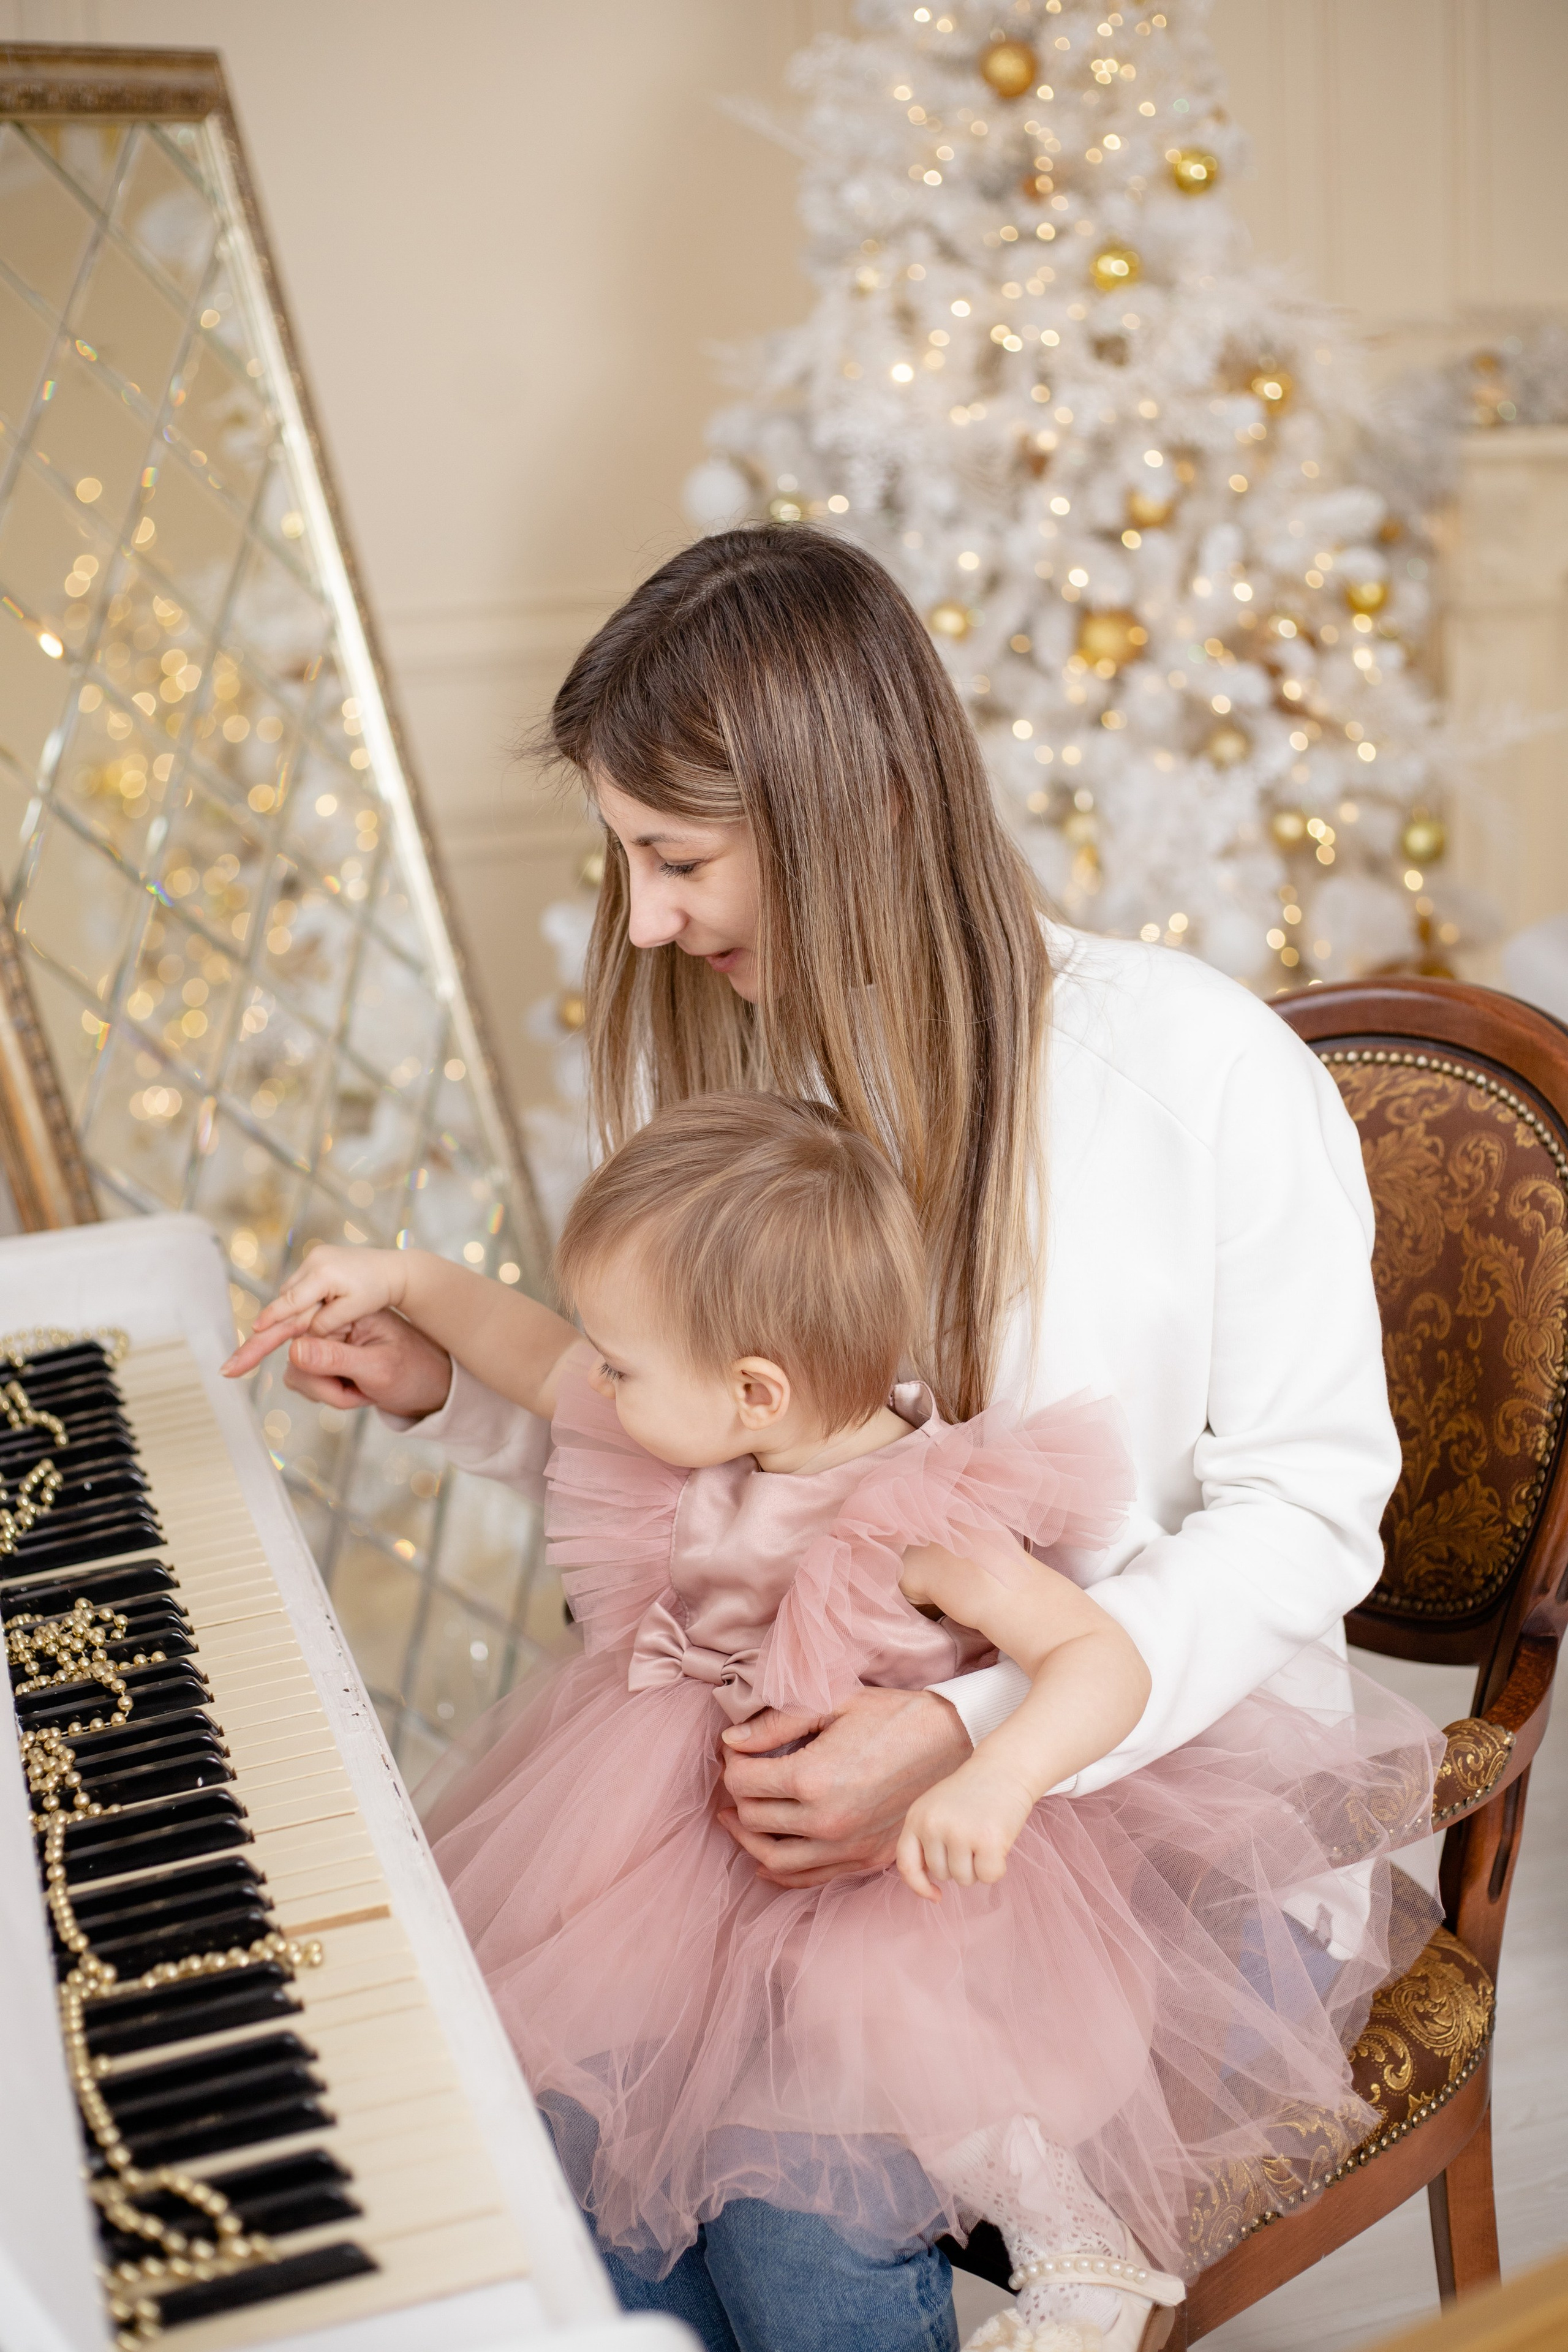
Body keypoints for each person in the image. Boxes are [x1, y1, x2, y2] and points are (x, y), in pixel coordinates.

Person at [265, 528, 1425, 2352]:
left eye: (675, 859)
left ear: (861, 803)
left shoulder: (1195, 1071)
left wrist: (963, 1737)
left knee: (785, 2221)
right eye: (625, 860)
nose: (645, 920)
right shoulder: (743, 1089)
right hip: (793, 1834)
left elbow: (1310, 1519)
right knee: (568, 2177)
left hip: (1145, 1836)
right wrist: (454, 1394)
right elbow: (711, 1469)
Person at [225, 1095, 1439, 2352]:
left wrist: (994, 1771)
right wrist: (406, 1279)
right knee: (552, 2125)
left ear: (754, 1389)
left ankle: (1072, 2237)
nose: (592, 1380)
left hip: (900, 1895)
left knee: (874, 2062)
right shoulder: (722, 1446)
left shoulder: (925, 1520)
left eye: (620, 1365)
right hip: (705, 1857)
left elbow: (1095, 1657)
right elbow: (528, 1351)